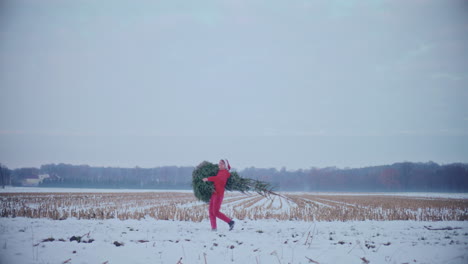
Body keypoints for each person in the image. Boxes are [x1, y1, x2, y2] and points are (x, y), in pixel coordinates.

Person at [202, 159, 235, 231]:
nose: (219, 165)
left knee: (215, 212)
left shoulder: (225, 173)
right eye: (219, 163)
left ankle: (230, 222)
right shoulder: (220, 172)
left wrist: (208, 179)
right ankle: (213, 227)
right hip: (214, 193)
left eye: (221, 164)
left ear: (225, 165)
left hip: (219, 194)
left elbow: (218, 179)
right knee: (211, 211)